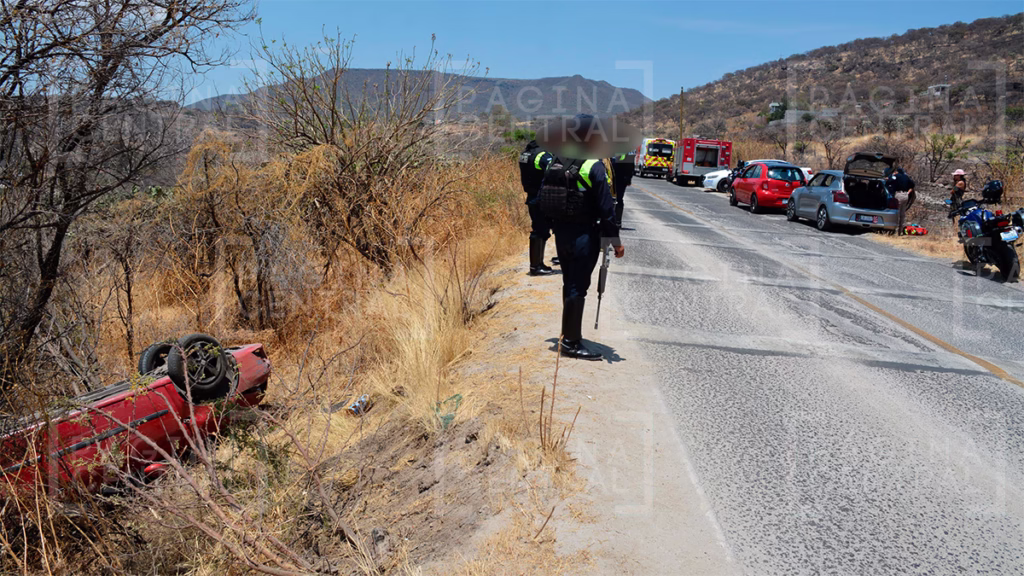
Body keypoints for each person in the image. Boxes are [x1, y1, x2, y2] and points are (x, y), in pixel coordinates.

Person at [538, 115, 625, 360]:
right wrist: (615, 242)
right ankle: (571, 344)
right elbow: (607, 210)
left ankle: (568, 334)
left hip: (562, 234)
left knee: (570, 283)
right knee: (579, 287)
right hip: (584, 235)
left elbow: (543, 195)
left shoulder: (556, 160)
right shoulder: (593, 165)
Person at [518, 140, 556, 275]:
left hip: (532, 195)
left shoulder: (527, 152)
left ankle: (538, 264)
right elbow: (554, 171)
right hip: (542, 196)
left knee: (539, 228)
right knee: (541, 230)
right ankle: (536, 266)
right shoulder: (542, 155)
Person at [887, 166, 916, 235]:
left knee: (897, 212)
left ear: (897, 171)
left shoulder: (896, 176)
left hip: (898, 195)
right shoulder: (906, 177)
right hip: (906, 196)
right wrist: (908, 192)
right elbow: (913, 184)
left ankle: (895, 230)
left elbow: (889, 182)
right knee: (902, 214)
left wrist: (891, 177)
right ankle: (900, 231)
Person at [610, 153, 633, 227]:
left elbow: (630, 166)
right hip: (612, 179)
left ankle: (617, 221)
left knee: (618, 199)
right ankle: (613, 220)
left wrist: (628, 178)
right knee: (613, 199)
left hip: (620, 179)